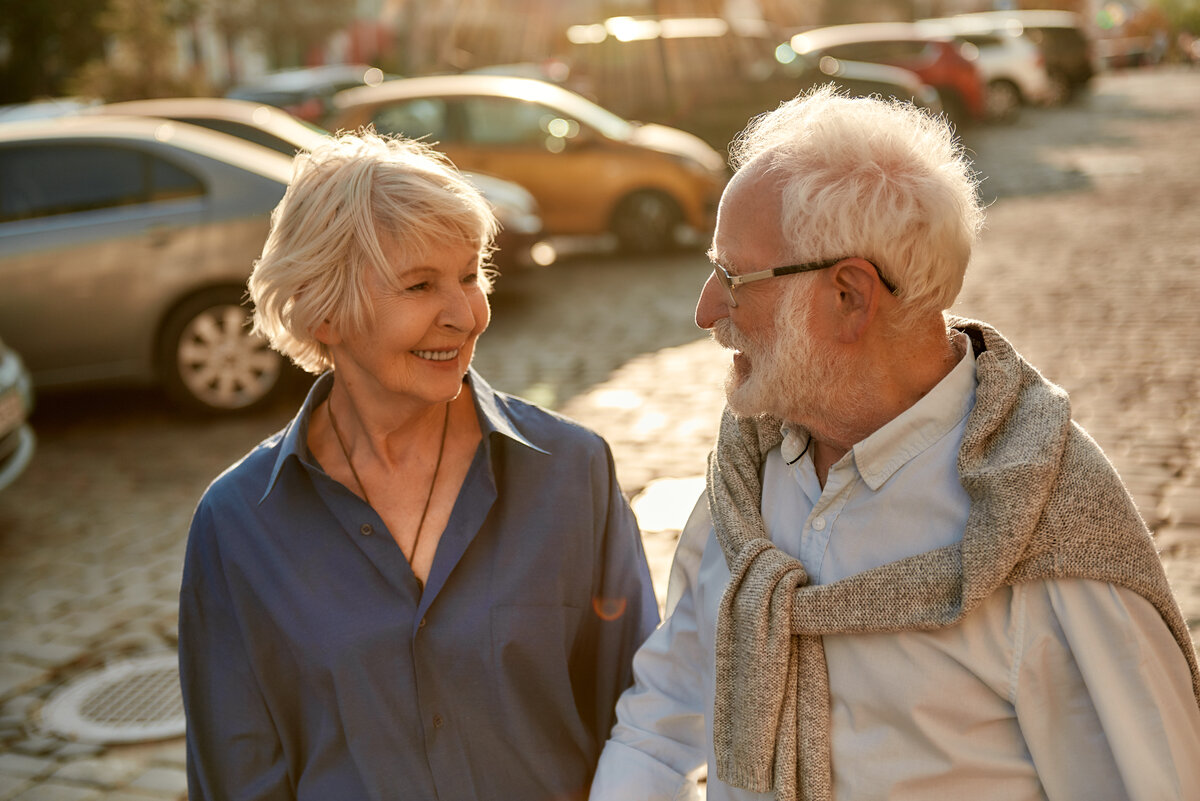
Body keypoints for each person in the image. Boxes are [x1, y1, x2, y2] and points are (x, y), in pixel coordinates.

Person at [590, 86, 1200, 801]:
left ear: (849, 296)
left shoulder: (1050, 529)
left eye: (733, 276)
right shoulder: (743, 481)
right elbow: (660, 721)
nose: (705, 309)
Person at [178, 131, 659, 801]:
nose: (465, 315)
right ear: (323, 311)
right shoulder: (236, 525)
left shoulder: (570, 471)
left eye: (470, 274)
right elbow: (238, 777)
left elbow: (643, 726)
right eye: (419, 285)